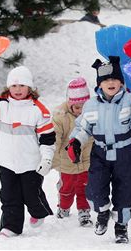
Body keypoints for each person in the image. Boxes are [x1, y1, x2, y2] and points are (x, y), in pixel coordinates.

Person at [66, 56, 131, 244]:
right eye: (106, 80)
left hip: (124, 152)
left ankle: (121, 226)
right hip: (100, 153)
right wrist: (76, 142)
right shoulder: (91, 105)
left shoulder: (130, 100)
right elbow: (82, 128)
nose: (110, 82)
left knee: (124, 190)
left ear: (121, 82)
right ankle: (103, 212)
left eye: (114, 79)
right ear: (99, 85)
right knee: (94, 188)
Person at [0, 66, 55, 237]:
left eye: (22, 86)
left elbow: (47, 139)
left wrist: (46, 159)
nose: (18, 90)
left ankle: (38, 212)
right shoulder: (0, 104)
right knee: (9, 195)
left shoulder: (39, 110)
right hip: (7, 162)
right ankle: (11, 226)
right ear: (8, 87)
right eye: (14, 86)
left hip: (31, 164)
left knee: (31, 195)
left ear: (30, 88)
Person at [52, 77, 93, 226]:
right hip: (66, 161)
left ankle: (84, 211)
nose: (80, 111)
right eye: (77, 107)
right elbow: (55, 134)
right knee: (67, 189)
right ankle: (63, 207)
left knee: (85, 187)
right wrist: (52, 149)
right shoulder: (61, 116)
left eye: (84, 107)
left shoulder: (92, 115)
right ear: (70, 105)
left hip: (87, 161)